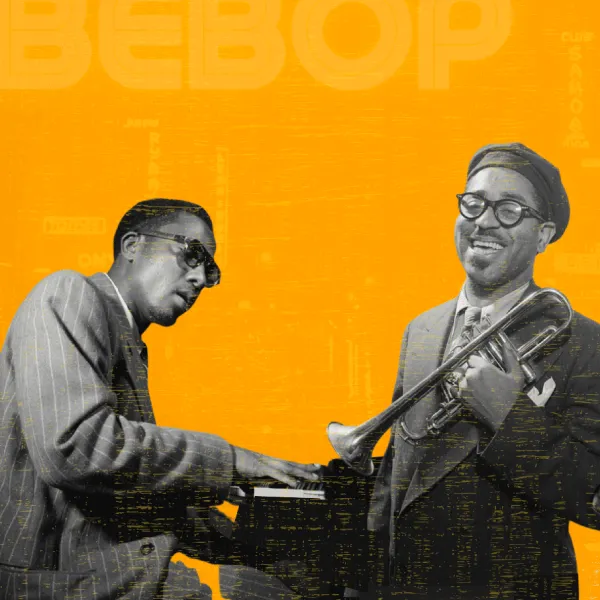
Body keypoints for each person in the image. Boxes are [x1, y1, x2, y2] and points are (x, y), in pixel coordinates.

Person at [0, 198, 321, 600]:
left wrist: (254, 543)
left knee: (286, 582)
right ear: (132, 245)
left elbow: (122, 492)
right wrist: (228, 461)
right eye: (192, 254)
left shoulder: (128, 340)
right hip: (55, 583)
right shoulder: (68, 293)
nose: (200, 279)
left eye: (210, 270)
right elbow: (74, 447)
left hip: (102, 571)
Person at [356, 143, 600, 599]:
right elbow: (395, 475)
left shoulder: (583, 341)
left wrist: (510, 416)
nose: (484, 221)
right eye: (474, 203)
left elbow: (594, 497)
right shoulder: (421, 329)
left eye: (509, 210)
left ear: (543, 235)